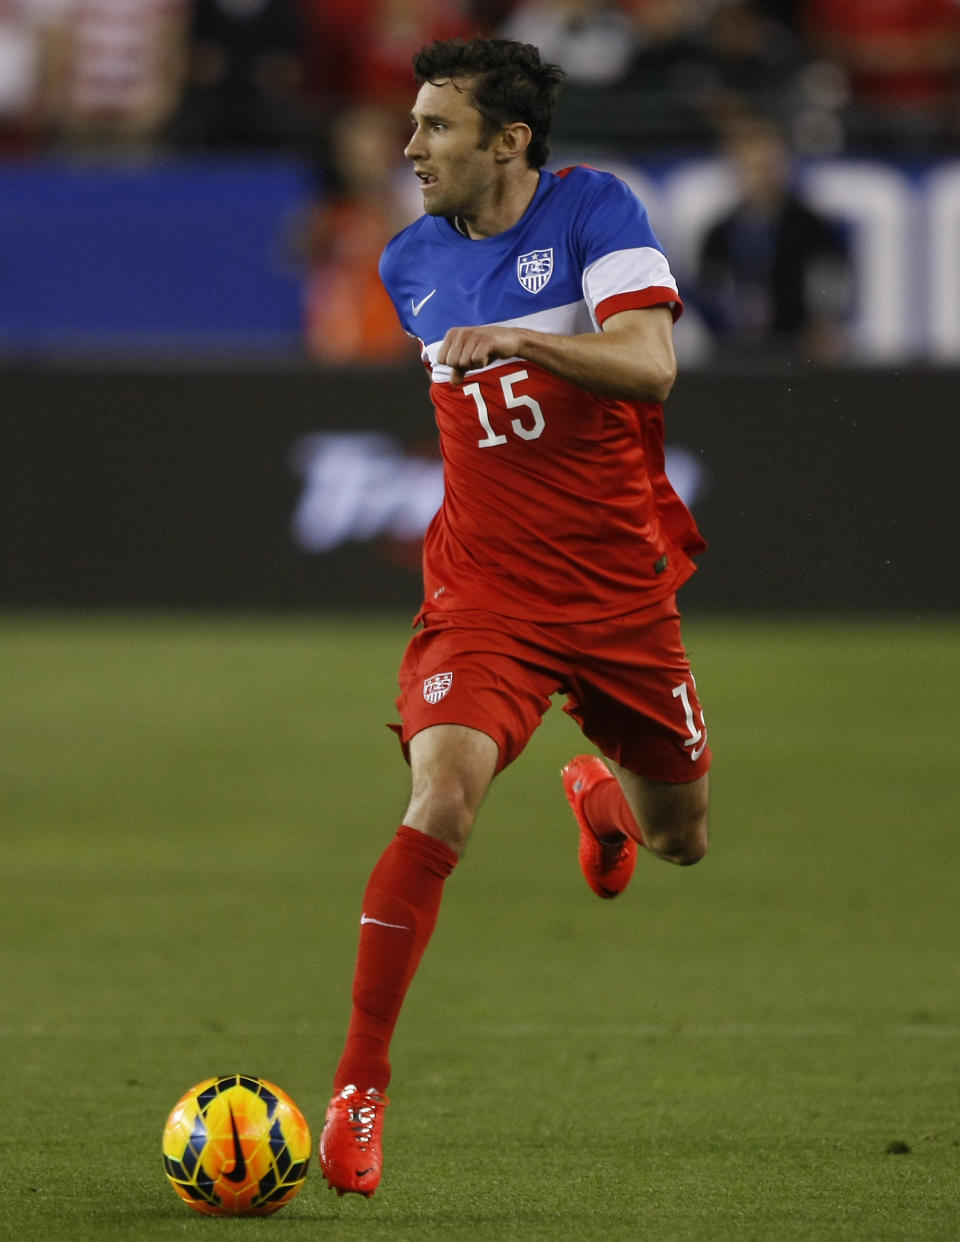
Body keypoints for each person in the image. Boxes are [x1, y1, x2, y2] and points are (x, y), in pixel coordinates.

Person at [318, 36, 712, 1199]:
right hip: (484, 592)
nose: (411, 145)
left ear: (509, 140)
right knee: (440, 799)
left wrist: (526, 338)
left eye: (437, 126)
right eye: (413, 122)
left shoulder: (596, 212)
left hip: (619, 591)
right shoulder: (407, 263)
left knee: (683, 837)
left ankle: (601, 802)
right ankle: (358, 1088)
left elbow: (651, 368)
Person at [696, 114, 851, 360]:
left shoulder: (809, 226)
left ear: (782, 167)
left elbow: (831, 278)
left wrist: (824, 322)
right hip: (737, 352)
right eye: (749, 168)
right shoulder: (721, 232)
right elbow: (708, 291)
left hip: (800, 347)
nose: (758, 177)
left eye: (765, 166)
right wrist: (721, 329)